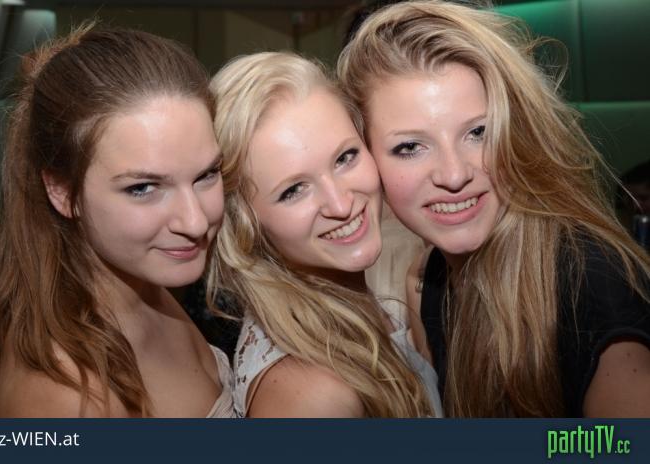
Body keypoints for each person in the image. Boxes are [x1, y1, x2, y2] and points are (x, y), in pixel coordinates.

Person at [338, 0, 650, 417]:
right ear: (367, 160)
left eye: (479, 132)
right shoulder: (432, 281)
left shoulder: (588, 282)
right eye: (410, 147)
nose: (454, 174)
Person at [0, 26, 236, 417]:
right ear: (62, 191)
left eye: (206, 174)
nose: (196, 222)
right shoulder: (69, 397)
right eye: (143, 188)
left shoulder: (142, 284)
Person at [208, 51, 441, 418]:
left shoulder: (344, 305)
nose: (341, 204)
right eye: (293, 190)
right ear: (245, 223)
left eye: (345, 157)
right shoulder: (315, 397)